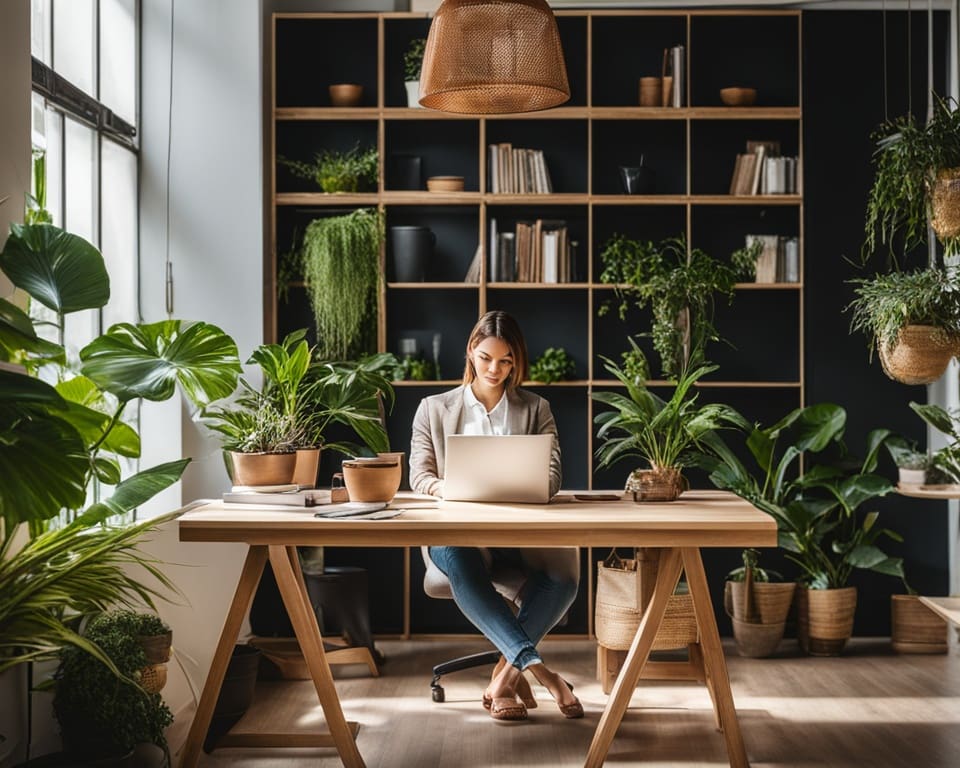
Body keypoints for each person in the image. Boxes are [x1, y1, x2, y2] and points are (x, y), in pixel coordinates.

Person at [409, 310, 582, 722]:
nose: (495, 369)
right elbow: (419, 475)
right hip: (456, 535)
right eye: (486, 357)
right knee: (458, 554)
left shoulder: (536, 408)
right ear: (471, 351)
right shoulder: (433, 409)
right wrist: (446, 488)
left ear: (516, 362)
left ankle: (502, 678)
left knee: (565, 582)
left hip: (519, 535)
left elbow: (553, 475)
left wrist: (522, 491)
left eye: (506, 361)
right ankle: (547, 676)